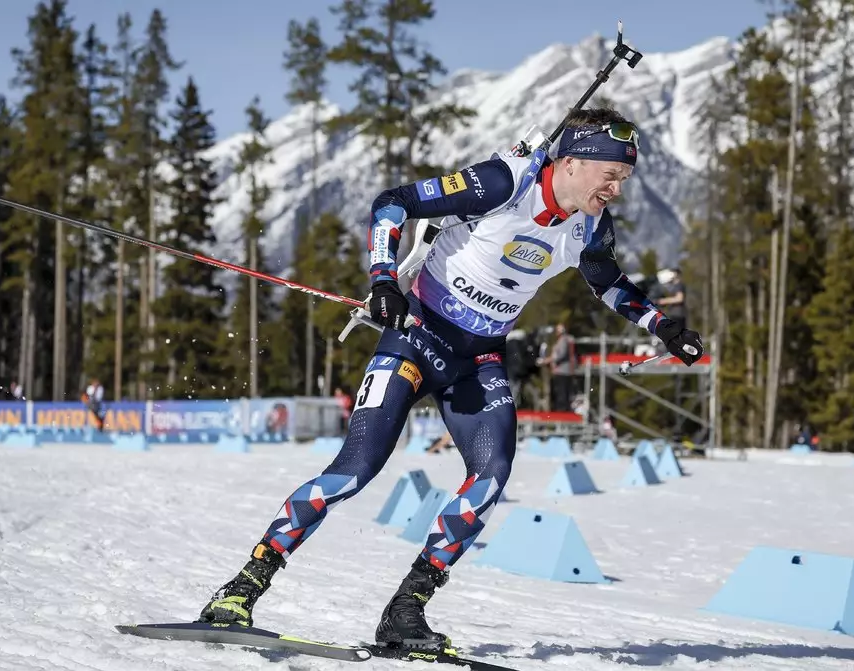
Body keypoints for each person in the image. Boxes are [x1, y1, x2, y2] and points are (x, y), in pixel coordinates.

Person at [194, 107, 703, 652]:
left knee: (490, 476)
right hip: (417, 337)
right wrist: (384, 279)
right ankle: (240, 591)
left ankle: (405, 615)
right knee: (355, 469)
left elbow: (609, 282)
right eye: (612, 177)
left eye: (624, 181)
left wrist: (663, 325)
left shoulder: (590, 224)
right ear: (574, 161)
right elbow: (393, 203)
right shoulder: (505, 182)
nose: (617, 191)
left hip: (480, 357)